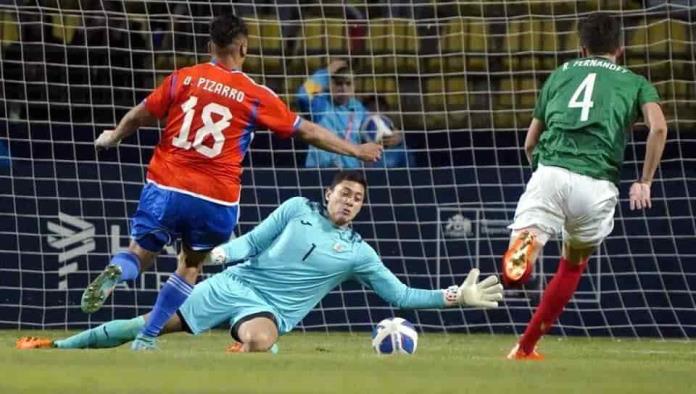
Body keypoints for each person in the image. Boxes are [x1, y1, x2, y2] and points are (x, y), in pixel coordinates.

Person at [80, 14, 383, 351]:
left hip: (166, 184)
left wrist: (113, 136)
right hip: (215, 197)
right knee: (190, 266)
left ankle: (119, 271)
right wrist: (355, 148)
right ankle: (146, 338)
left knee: (139, 252)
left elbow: (140, 114)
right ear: (244, 47)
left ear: (210, 46)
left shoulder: (184, 78)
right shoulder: (254, 94)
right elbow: (306, 130)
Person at [17, 171, 504, 352]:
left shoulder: (360, 252)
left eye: (358, 199)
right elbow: (249, 242)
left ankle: (249, 344)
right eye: (344, 194)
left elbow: (398, 296)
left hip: (271, 309)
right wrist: (217, 254)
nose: (350, 202)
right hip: (233, 283)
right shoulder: (295, 208)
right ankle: (56, 346)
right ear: (328, 194)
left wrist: (457, 296)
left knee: (260, 338)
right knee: (145, 325)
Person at [501, 13, 667, 360]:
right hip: (597, 186)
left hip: (552, 173)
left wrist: (543, 173)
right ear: (620, 49)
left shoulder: (560, 74)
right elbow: (659, 129)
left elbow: (530, 143)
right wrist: (645, 181)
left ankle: (525, 250)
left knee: (520, 256)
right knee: (572, 266)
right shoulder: (637, 83)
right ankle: (526, 347)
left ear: (581, 48)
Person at [297, 59, 402, 168]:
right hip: (319, 170)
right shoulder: (320, 105)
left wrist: (396, 138)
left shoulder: (360, 111)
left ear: (354, 86)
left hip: (350, 172)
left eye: (348, 84)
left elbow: (378, 133)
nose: (343, 88)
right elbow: (303, 95)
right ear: (329, 84)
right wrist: (326, 72)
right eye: (338, 83)